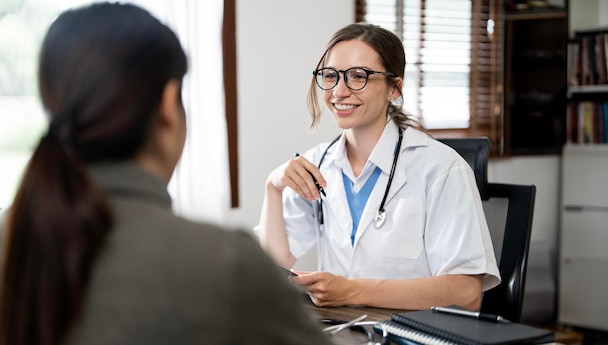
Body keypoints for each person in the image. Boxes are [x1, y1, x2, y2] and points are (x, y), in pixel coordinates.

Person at [0, 3, 334, 345]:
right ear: (168, 102)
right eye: (331, 77)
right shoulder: (223, 264)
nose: (340, 92)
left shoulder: (13, 233)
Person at [257, 23, 501, 311]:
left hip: (412, 333)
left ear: (394, 88)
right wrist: (273, 187)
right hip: (342, 330)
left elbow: (466, 293)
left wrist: (351, 291)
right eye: (331, 76)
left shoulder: (441, 168)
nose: (339, 91)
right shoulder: (318, 164)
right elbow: (273, 265)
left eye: (358, 76)